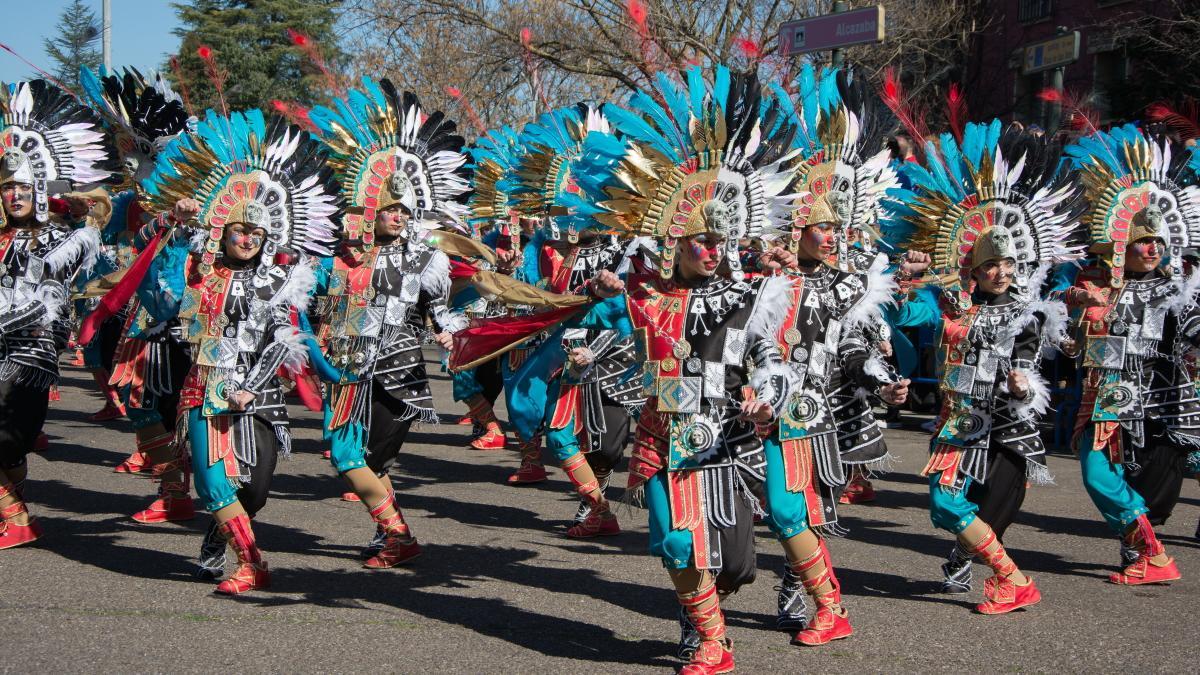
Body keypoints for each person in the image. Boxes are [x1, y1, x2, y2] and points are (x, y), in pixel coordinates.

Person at [566, 64, 800, 674]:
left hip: (726, 438)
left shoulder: (751, 296)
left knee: (738, 565)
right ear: (674, 235)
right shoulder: (642, 295)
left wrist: (766, 396)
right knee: (674, 541)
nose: (715, 250)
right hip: (662, 436)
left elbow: (771, 358)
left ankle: (700, 615)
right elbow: (585, 310)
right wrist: (591, 299)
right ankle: (714, 642)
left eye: (722, 241)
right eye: (702, 239)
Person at [137, 109, 340, 593]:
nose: (246, 238)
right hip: (204, 388)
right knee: (212, 483)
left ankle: (215, 539)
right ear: (222, 231)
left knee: (254, 488)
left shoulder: (280, 279)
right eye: (237, 230)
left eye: (255, 232)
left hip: (260, 392)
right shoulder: (199, 271)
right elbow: (154, 277)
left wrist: (249, 387)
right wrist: (171, 222)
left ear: (269, 236)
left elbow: (282, 340)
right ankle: (252, 562)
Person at [894, 120, 1086, 610]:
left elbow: (1033, 367)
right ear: (974, 271)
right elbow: (908, 313)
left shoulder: (1027, 314)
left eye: (1008, 264)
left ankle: (990, 570)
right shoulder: (954, 308)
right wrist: (896, 291)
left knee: (989, 511)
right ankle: (1011, 577)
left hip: (1004, 428)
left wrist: (1023, 386)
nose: (1001, 271)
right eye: (990, 265)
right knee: (944, 505)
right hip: (958, 426)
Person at [757, 65, 909, 641]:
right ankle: (792, 589)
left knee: (790, 510)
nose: (828, 233)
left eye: (832, 224)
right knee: (770, 515)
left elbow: (854, 348)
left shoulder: (845, 285)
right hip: (741, 411)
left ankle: (828, 606)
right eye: (815, 224)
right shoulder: (754, 280)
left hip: (805, 416)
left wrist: (881, 378)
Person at [308, 79, 470, 567]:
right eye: (389, 207)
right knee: (348, 456)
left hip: (399, 372)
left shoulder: (426, 258)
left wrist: (453, 332)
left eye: (405, 208)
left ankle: (395, 534)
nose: (398, 215)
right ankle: (395, 533)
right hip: (345, 372)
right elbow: (306, 303)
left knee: (365, 459)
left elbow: (441, 310)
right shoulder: (332, 257)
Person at [1062, 124, 1200, 585]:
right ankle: (1152, 555)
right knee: (1098, 475)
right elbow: (1069, 339)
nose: (1152, 249)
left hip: (1160, 403)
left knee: (1145, 483)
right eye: (1144, 241)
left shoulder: (1180, 289)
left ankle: (1146, 555)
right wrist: (1075, 315)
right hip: (1105, 400)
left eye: (1159, 243)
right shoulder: (1093, 286)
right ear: (1123, 243)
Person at [0, 79, 118, 549]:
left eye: (24, 186)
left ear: (42, 189)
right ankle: (17, 514)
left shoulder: (59, 240)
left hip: (28, 355)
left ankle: (15, 505)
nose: (15, 195)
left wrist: (93, 218)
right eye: (7, 187)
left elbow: (52, 287)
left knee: (11, 441)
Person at [78, 66, 198, 523]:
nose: (135, 164)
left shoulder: (201, 205)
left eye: (144, 153)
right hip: (137, 315)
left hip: (191, 317)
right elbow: (103, 238)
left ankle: (197, 485)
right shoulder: (128, 204)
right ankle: (175, 488)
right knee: (141, 401)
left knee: (180, 403)